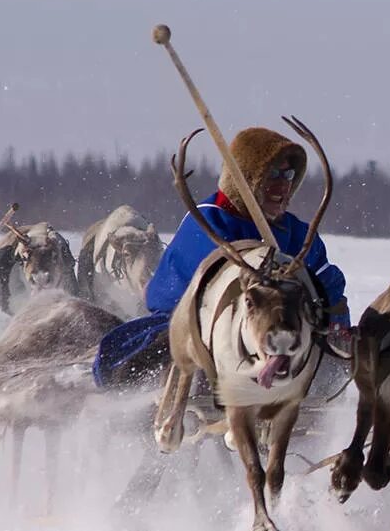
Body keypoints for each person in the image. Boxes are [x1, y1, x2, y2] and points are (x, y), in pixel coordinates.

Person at [93, 126, 349, 388]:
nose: (282, 184)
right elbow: (189, 291)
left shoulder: (295, 233)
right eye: (272, 174)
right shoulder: (209, 221)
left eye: (288, 174)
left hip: (285, 334)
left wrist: (335, 322)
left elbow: (325, 281)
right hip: (198, 327)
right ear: (248, 177)